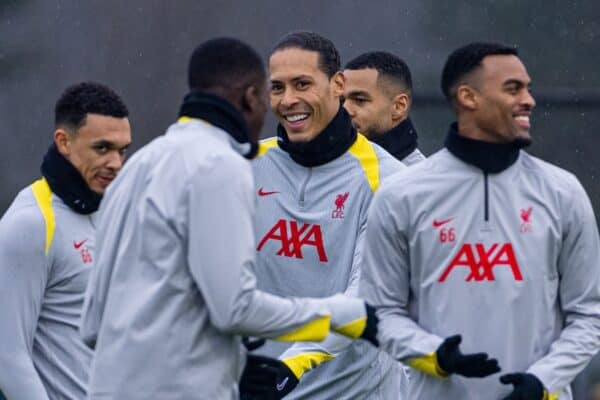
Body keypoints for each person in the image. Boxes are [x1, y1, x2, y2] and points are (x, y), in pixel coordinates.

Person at [80, 37, 377, 400]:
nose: (281, 104)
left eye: (301, 84)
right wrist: (340, 315)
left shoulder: (138, 164)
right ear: (253, 98)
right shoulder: (224, 165)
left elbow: (92, 324)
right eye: (275, 91)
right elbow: (233, 308)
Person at [359, 41, 600, 400]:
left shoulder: (563, 193)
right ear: (468, 97)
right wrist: (435, 355)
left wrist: (542, 381)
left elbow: (589, 314)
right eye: (513, 89)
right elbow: (378, 312)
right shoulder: (401, 196)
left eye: (528, 89)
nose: (529, 100)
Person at [243, 31, 406, 400]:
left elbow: (368, 297)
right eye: (278, 88)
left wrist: (291, 365)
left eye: (303, 84)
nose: (289, 101)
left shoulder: (391, 181)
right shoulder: (245, 165)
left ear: (338, 85)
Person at [0, 82, 131, 399]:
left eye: (122, 150)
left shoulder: (110, 211)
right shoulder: (29, 224)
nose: (116, 162)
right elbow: (8, 358)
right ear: (64, 142)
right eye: (102, 148)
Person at [343, 51, 425, 165]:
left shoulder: (422, 179)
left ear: (399, 107)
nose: (344, 110)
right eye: (341, 100)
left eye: (360, 100)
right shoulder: (330, 170)